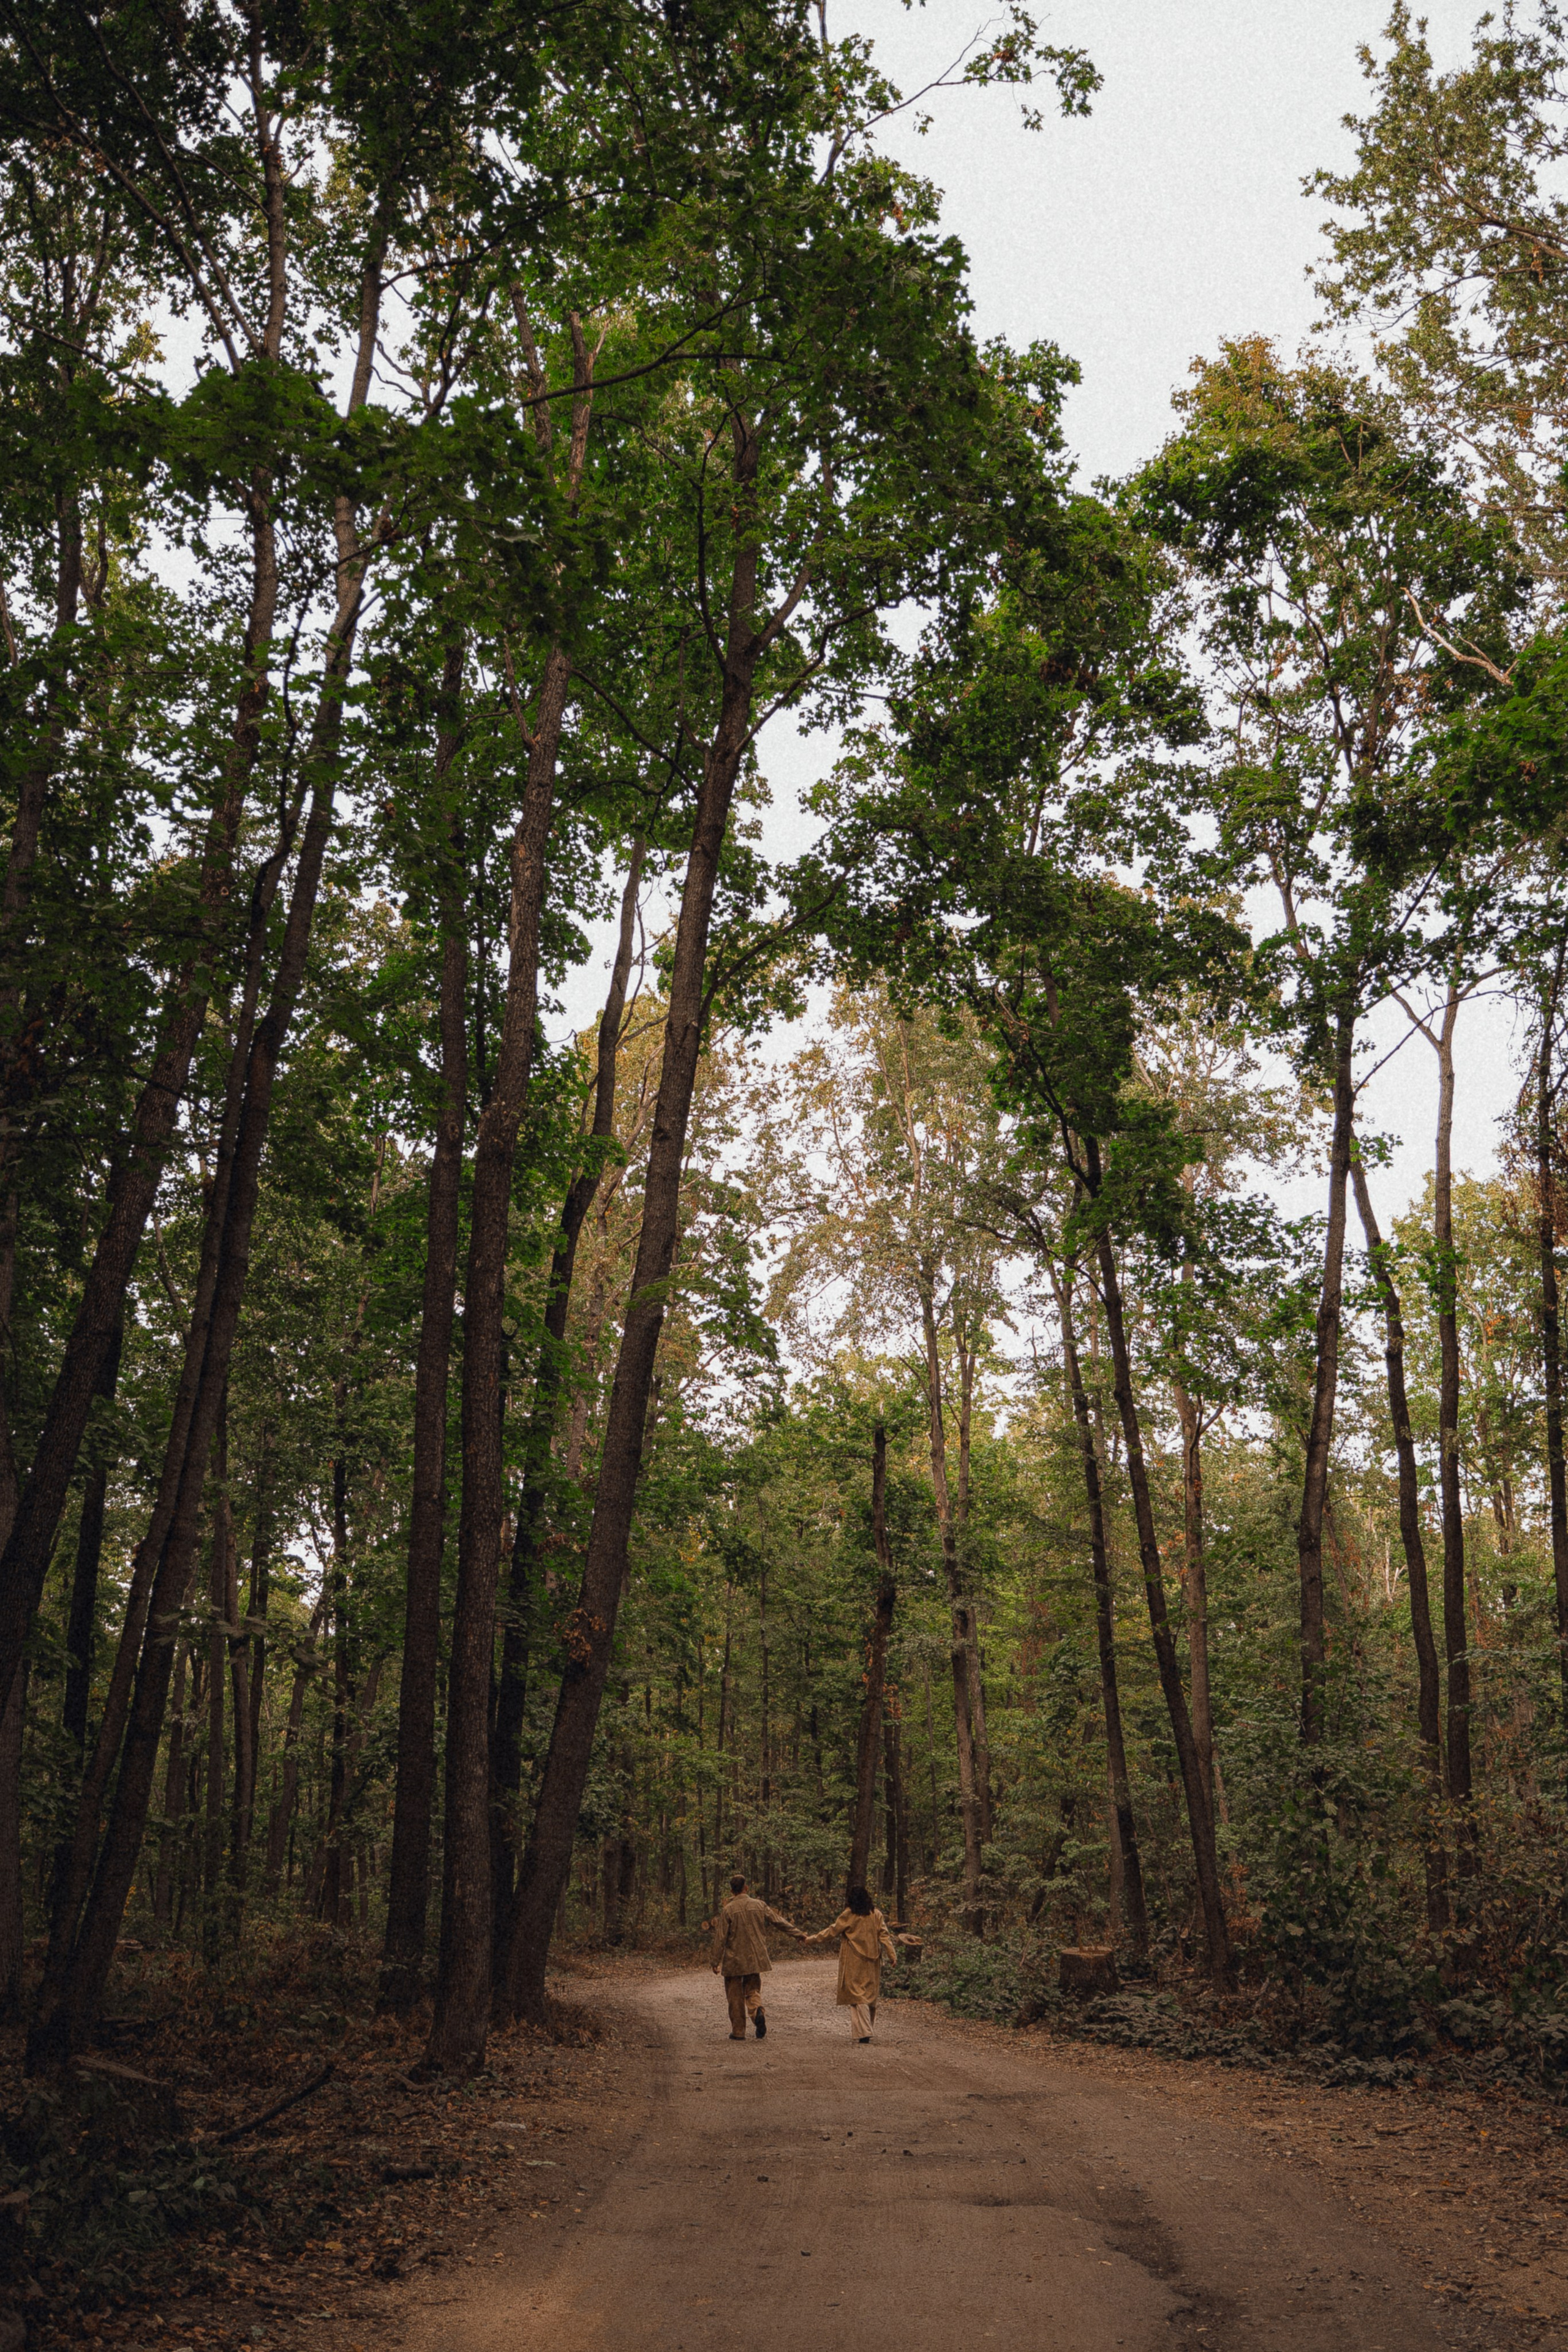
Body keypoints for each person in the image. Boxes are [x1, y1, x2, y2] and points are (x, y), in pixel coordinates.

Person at [710, 1874, 805, 2040]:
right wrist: (798, 1934)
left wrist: (715, 1961)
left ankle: (739, 2032)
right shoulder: (759, 1905)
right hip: (755, 1958)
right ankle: (757, 2011)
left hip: (734, 1960)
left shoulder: (728, 1910)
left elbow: (721, 1937)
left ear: (732, 1891)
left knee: (735, 1996)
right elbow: (779, 1921)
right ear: (746, 1888)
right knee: (753, 1990)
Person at [802, 1885, 898, 2041]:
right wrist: (892, 1955)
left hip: (854, 1961)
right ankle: (866, 2029)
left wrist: (811, 1940)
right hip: (873, 1961)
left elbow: (831, 1932)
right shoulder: (876, 1914)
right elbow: (884, 1936)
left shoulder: (849, 1915)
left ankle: (865, 2031)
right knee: (869, 1995)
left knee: (857, 1996)